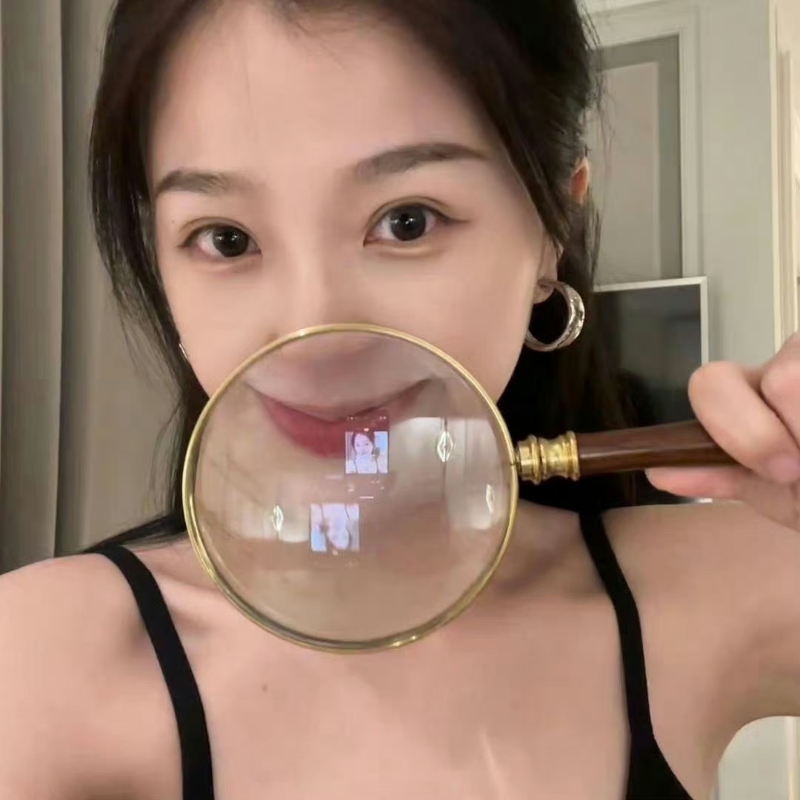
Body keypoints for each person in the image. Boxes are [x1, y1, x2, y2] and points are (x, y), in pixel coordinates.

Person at [0, 1, 798, 798]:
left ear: (553, 229)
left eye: (408, 222)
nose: (313, 334)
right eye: (226, 239)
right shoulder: (41, 660)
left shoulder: (711, 583)